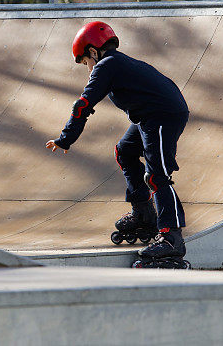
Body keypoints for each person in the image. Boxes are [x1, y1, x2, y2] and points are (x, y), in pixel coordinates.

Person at [45, 21, 189, 264]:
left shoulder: (106, 65)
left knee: (157, 175)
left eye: (85, 63)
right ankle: (143, 214)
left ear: (93, 52)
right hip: (148, 115)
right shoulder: (117, 63)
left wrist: (65, 139)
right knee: (125, 151)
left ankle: (171, 236)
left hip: (163, 115)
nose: (87, 69)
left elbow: (82, 106)